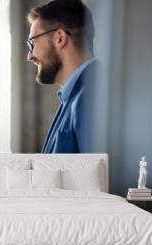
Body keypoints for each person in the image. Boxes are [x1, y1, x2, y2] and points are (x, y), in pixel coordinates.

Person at [26, 0, 98, 153]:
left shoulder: (90, 98)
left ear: (60, 38)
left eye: (33, 43)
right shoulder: (74, 96)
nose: (30, 55)